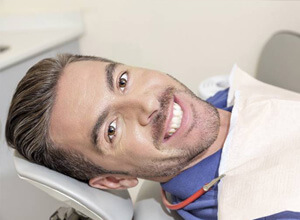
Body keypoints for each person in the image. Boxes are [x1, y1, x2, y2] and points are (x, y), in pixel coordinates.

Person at [5, 54, 300, 220]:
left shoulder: (221, 98)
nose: (148, 104)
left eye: (122, 81)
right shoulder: (265, 210)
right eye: (111, 129)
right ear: (114, 181)